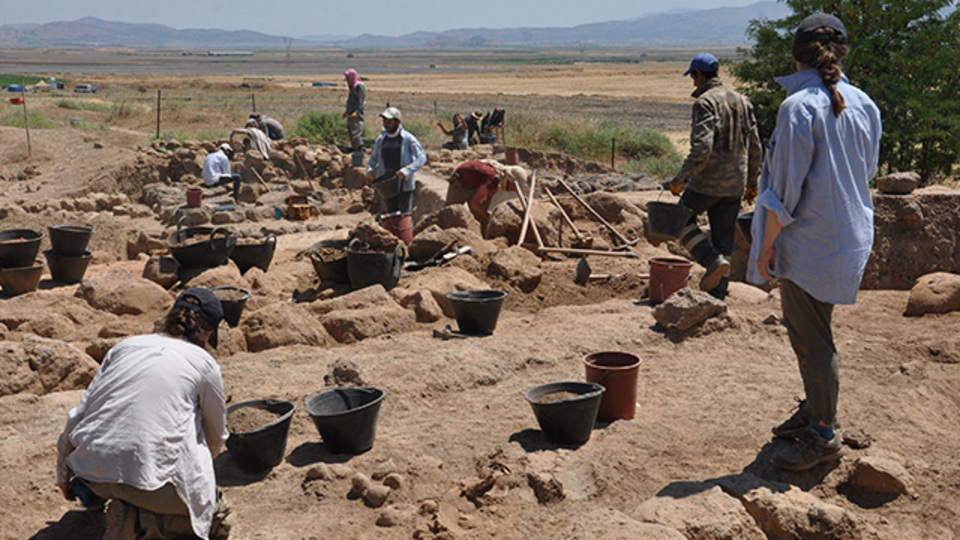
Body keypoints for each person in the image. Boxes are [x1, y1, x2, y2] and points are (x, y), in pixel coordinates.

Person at [747, 13, 882, 471]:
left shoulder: (798, 107)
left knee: (811, 339)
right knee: (815, 328)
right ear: (841, 52)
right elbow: (866, 171)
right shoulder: (864, 102)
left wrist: (767, 244)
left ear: (796, 55)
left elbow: (785, 192)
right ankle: (814, 408)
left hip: (811, 241)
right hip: (848, 235)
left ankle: (823, 433)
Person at [56, 288, 232, 539]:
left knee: (114, 460)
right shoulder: (204, 364)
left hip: (92, 474)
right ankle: (142, 520)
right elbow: (216, 435)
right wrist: (198, 475)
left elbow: (80, 413)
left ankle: (101, 499)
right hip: (150, 485)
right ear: (209, 332)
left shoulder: (125, 347)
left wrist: (63, 473)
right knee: (220, 516)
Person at [666, 52, 762, 300]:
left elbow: (702, 149)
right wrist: (752, 183)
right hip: (735, 184)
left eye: (693, 77)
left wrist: (680, 179)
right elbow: (756, 147)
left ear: (698, 74)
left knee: (680, 222)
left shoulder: (705, 103)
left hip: (707, 183)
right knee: (724, 240)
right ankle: (718, 294)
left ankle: (711, 261)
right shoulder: (743, 101)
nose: (693, 82)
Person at [366, 107, 427, 221]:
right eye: (384, 121)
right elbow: (374, 158)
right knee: (391, 216)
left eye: (389, 122)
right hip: (387, 186)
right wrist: (369, 169)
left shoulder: (408, 139)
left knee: (404, 217)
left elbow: (422, 157)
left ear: (398, 122)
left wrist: (406, 171)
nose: (386, 125)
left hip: (404, 185)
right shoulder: (381, 140)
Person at [445, 159, 513, 223]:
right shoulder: (493, 179)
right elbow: (474, 203)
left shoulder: (498, 179)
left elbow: (488, 197)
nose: (512, 190)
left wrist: (485, 212)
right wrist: (488, 216)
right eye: (512, 188)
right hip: (461, 182)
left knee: (480, 216)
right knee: (450, 213)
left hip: (475, 183)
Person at [343, 69, 366, 152]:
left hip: (356, 113)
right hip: (351, 113)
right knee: (351, 130)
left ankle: (359, 148)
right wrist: (347, 111)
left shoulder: (359, 86)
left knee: (356, 130)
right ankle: (354, 147)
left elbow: (360, 100)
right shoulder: (352, 87)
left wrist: (356, 112)